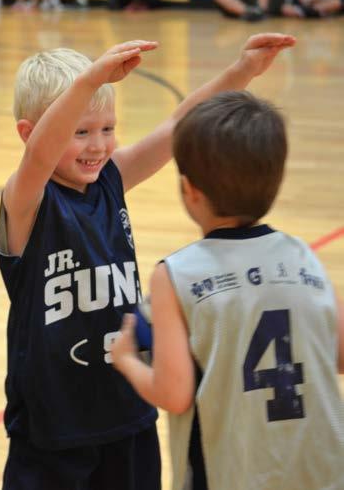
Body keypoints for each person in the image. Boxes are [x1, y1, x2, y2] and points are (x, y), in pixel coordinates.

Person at [0, 34, 295, 490]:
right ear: (28, 132)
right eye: (81, 132)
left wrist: (243, 71)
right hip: (54, 425)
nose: (98, 145)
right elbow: (39, 155)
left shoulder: (111, 179)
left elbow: (179, 124)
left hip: (127, 408)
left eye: (107, 128)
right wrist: (90, 80)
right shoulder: (26, 201)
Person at [111, 90, 344, 490]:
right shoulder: (303, 256)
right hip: (321, 470)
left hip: (230, 473)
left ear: (190, 189)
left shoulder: (175, 275)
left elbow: (174, 393)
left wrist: (127, 359)